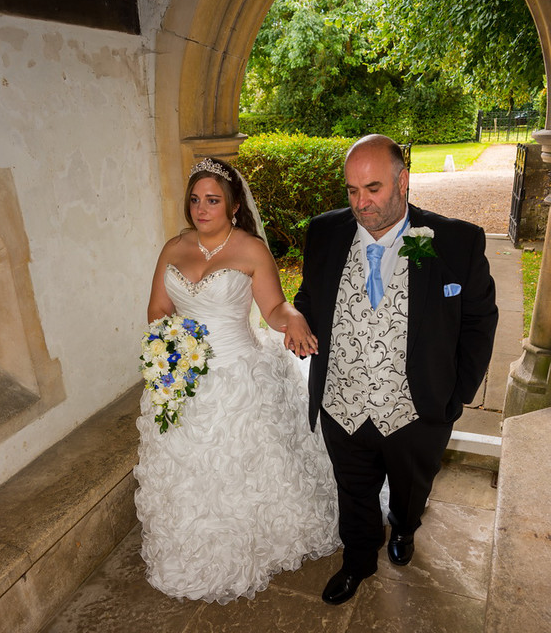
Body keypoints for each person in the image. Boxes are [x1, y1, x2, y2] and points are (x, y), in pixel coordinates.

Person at [294, 134, 498, 606]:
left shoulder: (456, 241)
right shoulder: (324, 233)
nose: (360, 203)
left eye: (373, 189)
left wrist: (456, 395)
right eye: (351, 191)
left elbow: (479, 320)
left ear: (403, 181)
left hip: (418, 409)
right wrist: (296, 319)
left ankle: (405, 530)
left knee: (410, 490)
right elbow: (310, 296)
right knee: (353, 490)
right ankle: (359, 559)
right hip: (341, 403)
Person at [134, 156, 339, 604]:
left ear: (232, 205)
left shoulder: (250, 249)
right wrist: (167, 350)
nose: (201, 209)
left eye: (212, 200)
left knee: (247, 470)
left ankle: (256, 540)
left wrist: (295, 319)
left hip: (240, 377)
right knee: (191, 473)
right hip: (183, 376)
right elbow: (158, 310)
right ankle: (194, 545)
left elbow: (273, 309)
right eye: (195, 200)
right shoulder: (173, 249)